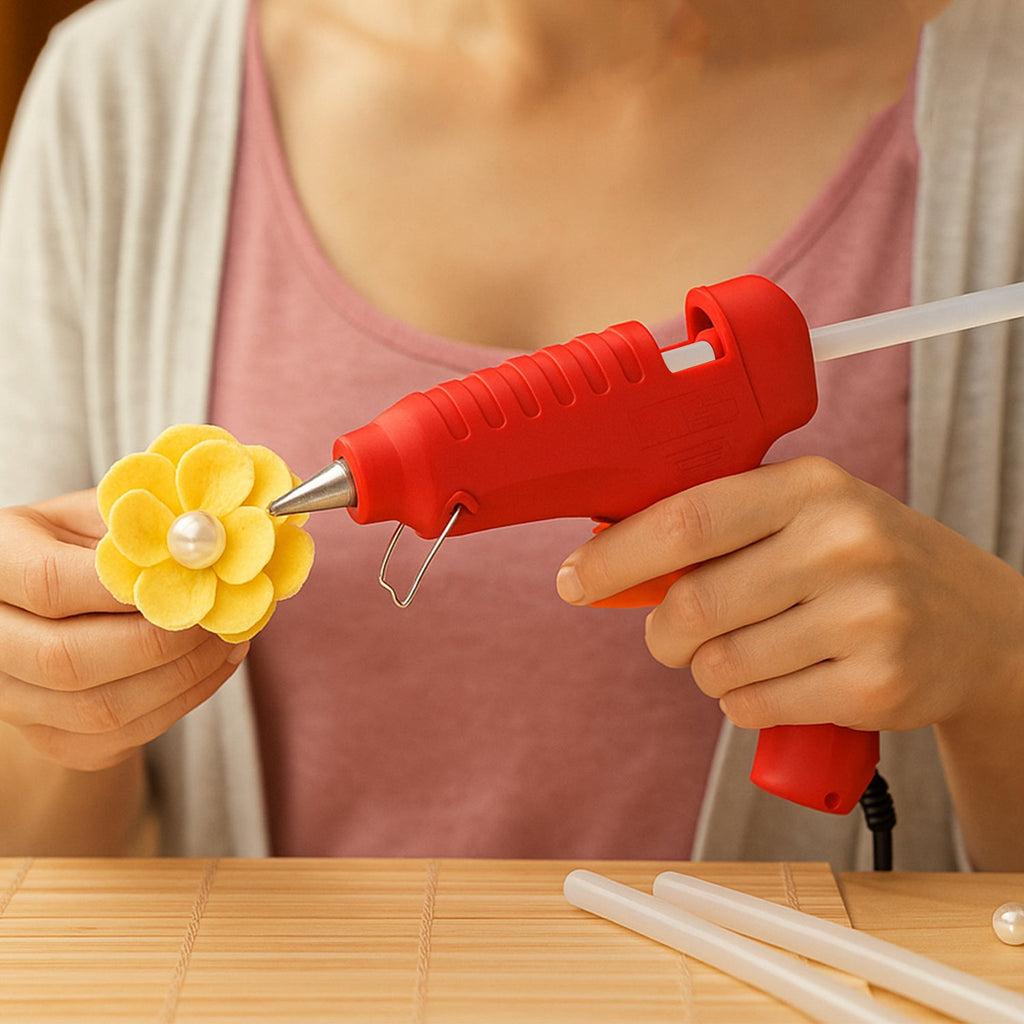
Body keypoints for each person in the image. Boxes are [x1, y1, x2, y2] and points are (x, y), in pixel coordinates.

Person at [0, 0, 1021, 871]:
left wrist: (1000, 665)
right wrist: (56, 703)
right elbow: (40, 871)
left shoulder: (1000, 103)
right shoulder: (123, 95)